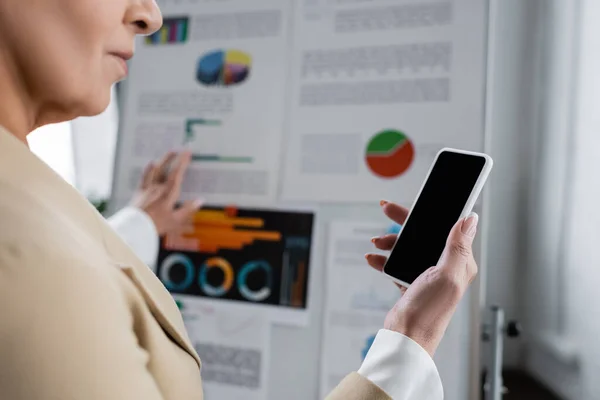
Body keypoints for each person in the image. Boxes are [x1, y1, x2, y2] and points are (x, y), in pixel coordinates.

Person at [0, 1, 479, 399]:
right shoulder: (31, 257)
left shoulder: (28, 193)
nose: (150, 15)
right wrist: (411, 336)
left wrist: (141, 224)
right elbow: (48, 264)